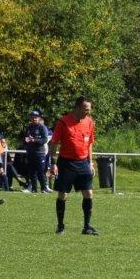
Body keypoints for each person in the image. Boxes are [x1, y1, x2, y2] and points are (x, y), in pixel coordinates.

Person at [50, 97, 97, 235]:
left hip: (83, 163)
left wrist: (90, 162)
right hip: (66, 163)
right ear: (77, 108)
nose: (88, 112)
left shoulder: (89, 122)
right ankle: (60, 226)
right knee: (63, 195)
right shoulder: (63, 122)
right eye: (86, 109)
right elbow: (54, 143)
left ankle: (87, 227)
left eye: (89, 110)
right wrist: (53, 163)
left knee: (88, 193)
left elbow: (90, 143)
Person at [22, 110, 51, 193]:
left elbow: (45, 139)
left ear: (39, 118)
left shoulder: (42, 127)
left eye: (36, 117)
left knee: (41, 172)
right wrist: (26, 141)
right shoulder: (28, 127)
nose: (34, 118)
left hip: (39, 153)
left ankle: (43, 188)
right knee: (32, 172)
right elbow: (25, 138)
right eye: (32, 117)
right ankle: (34, 189)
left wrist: (34, 140)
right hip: (30, 152)